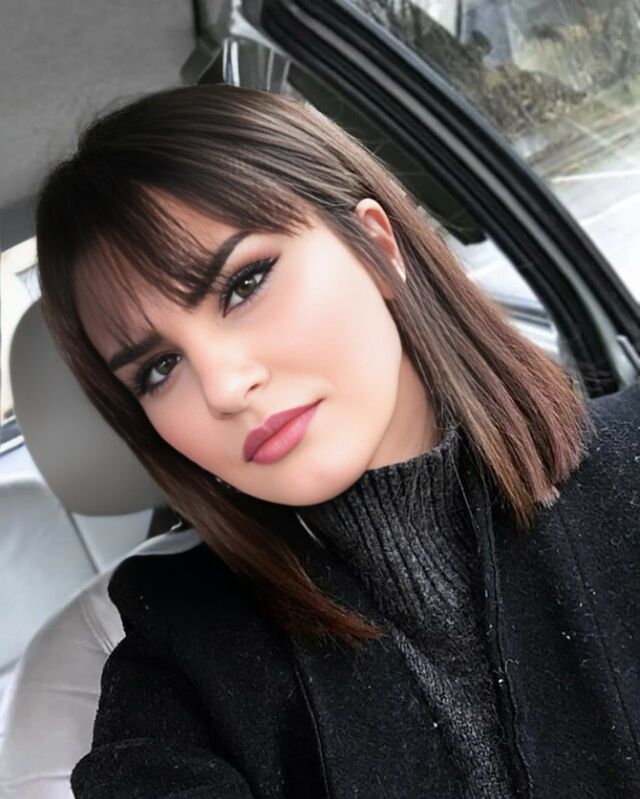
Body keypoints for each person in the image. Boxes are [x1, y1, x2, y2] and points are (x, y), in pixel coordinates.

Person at [35, 83, 640, 799]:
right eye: (159, 369)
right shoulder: (179, 651)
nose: (224, 387)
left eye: (244, 284)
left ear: (377, 247)